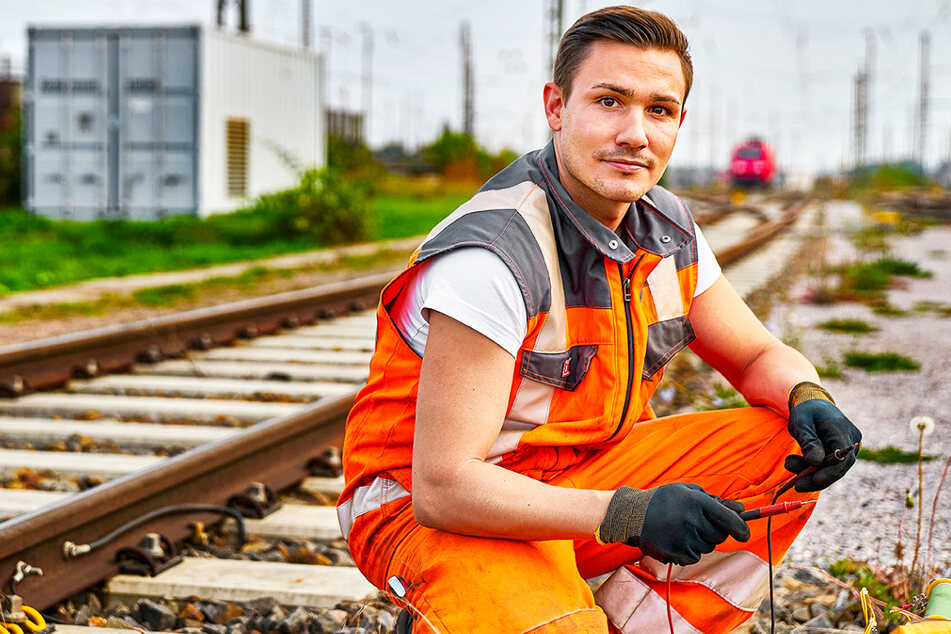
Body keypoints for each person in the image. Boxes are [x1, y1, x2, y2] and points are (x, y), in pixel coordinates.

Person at [337, 6, 861, 633]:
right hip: (435, 509)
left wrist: (808, 394)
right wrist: (628, 515)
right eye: (610, 101)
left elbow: (753, 357)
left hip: (578, 477)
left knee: (786, 446)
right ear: (557, 108)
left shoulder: (667, 231)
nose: (635, 133)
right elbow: (444, 487)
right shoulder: (496, 254)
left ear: (679, 124)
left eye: (659, 110)